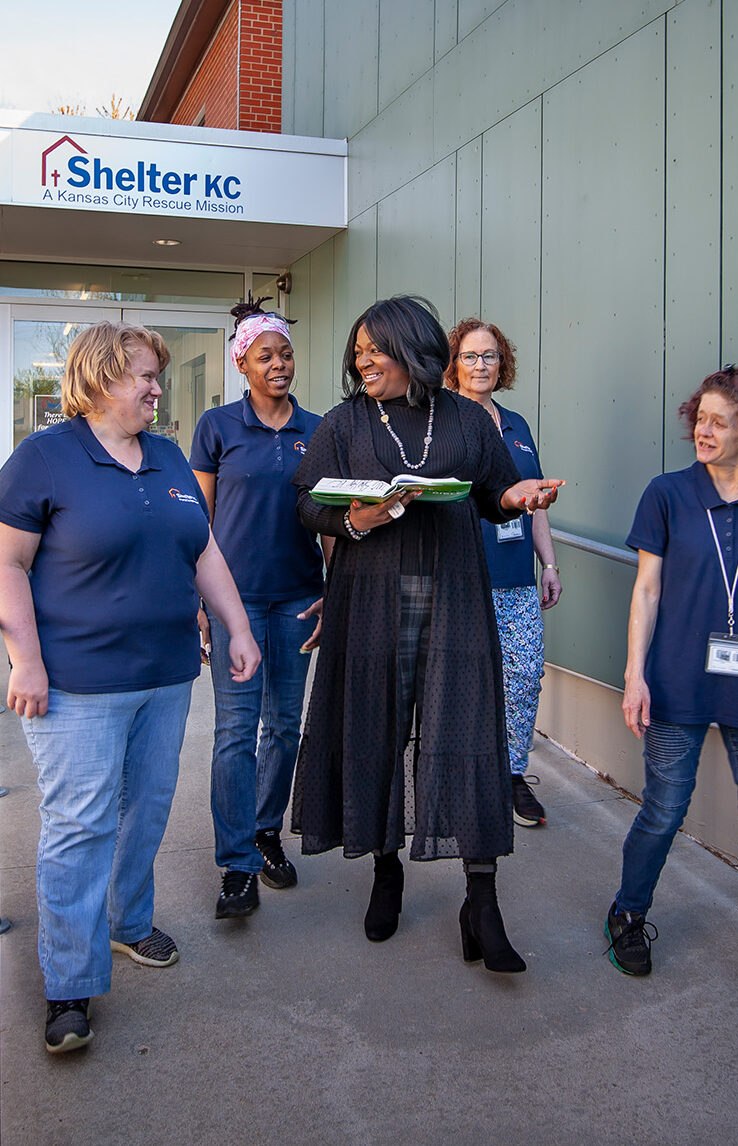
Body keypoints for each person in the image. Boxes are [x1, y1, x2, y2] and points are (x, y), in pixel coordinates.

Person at [0, 321, 260, 1054]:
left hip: (165, 677)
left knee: (146, 810)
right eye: (142, 375)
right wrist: (26, 661)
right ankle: (69, 984)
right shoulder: (43, 460)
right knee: (80, 825)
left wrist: (237, 626)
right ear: (101, 377)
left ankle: (130, 924)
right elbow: (5, 564)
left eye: (155, 377)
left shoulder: (167, 456)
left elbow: (202, 549)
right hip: (75, 684)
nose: (155, 389)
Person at [291, 296, 561, 973]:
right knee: (377, 730)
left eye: (373, 349)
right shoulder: (345, 421)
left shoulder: (467, 417)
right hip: (370, 604)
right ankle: (386, 872)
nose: (361, 360)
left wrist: (520, 497)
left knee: (467, 736)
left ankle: (482, 900)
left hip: (455, 601)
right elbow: (304, 502)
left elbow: (495, 490)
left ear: (409, 349)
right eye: (357, 352)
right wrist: (357, 520)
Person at [606, 364, 738, 1040]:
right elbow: (645, 590)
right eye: (697, 417)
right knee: (664, 811)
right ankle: (627, 913)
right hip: (674, 683)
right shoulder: (667, 494)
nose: (701, 429)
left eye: (717, 421)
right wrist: (634, 673)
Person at [191, 297, 332, 919]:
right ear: (241, 365)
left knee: (284, 726)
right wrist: (201, 601)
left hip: (300, 598)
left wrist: (336, 588)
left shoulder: (320, 430)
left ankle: (266, 830)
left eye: (285, 353)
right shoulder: (217, 427)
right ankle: (236, 865)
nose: (279, 364)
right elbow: (199, 521)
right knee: (233, 732)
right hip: (236, 605)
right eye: (264, 356)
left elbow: (333, 517)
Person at [445, 318, 561, 827]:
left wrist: (549, 563)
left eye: (489, 355)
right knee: (455, 683)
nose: (480, 365)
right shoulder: (442, 421)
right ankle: (456, 777)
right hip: (457, 577)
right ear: (453, 364)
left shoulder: (517, 425)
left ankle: (511, 774)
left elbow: (534, 501)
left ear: (502, 361)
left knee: (523, 676)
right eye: (470, 356)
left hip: (515, 576)